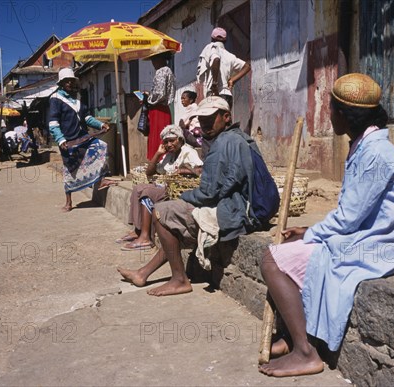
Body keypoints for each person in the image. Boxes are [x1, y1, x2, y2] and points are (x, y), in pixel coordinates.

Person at [258, 73, 394, 377]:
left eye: (331, 110)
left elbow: (350, 218)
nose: (328, 116)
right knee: (288, 247)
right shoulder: (364, 144)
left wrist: (313, 233)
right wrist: (308, 232)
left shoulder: (375, 153)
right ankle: (292, 334)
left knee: (271, 260)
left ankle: (306, 352)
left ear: (344, 115)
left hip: (374, 244)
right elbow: (353, 211)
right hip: (359, 234)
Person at [118, 96, 265, 296]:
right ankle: (142, 273)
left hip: (236, 210)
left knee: (161, 212)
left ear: (226, 117)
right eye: (201, 120)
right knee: (174, 222)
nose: (204, 124)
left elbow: (210, 192)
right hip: (239, 205)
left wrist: (185, 197)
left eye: (210, 119)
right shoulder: (236, 138)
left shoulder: (223, 144)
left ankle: (179, 280)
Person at [118, 125, 203, 251]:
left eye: (172, 140)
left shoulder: (188, 152)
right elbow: (149, 173)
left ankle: (146, 237)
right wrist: (158, 154)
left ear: (180, 139)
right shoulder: (169, 155)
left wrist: (181, 170)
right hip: (164, 185)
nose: (169, 144)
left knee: (146, 192)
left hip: (177, 189)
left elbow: (200, 169)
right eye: (166, 142)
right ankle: (138, 230)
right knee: (138, 188)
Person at [48, 67, 112, 212]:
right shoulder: (55, 99)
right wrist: (60, 139)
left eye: (71, 81)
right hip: (67, 140)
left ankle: (100, 180)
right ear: (61, 83)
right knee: (70, 169)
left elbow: (86, 117)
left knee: (100, 146)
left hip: (82, 136)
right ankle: (69, 202)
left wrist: (100, 124)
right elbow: (53, 122)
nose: (70, 83)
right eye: (67, 81)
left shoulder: (77, 99)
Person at [196, 27, 251, 109]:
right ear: (225, 40)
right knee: (226, 121)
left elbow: (216, 59)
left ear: (212, 38)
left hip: (214, 95)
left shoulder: (211, 47)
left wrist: (214, 84)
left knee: (211, 121)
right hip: (227, 95)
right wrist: (233, 80)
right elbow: (247, 67)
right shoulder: (230, 56)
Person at [143, 50, 176, 160]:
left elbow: (160, 93)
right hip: (163, 109)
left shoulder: (162, 71)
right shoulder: (168, 71)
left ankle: (157, 160)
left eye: (154, 59)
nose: (153, 63)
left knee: (158, 136)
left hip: (158, 110)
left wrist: (148, 98)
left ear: (160, 59)